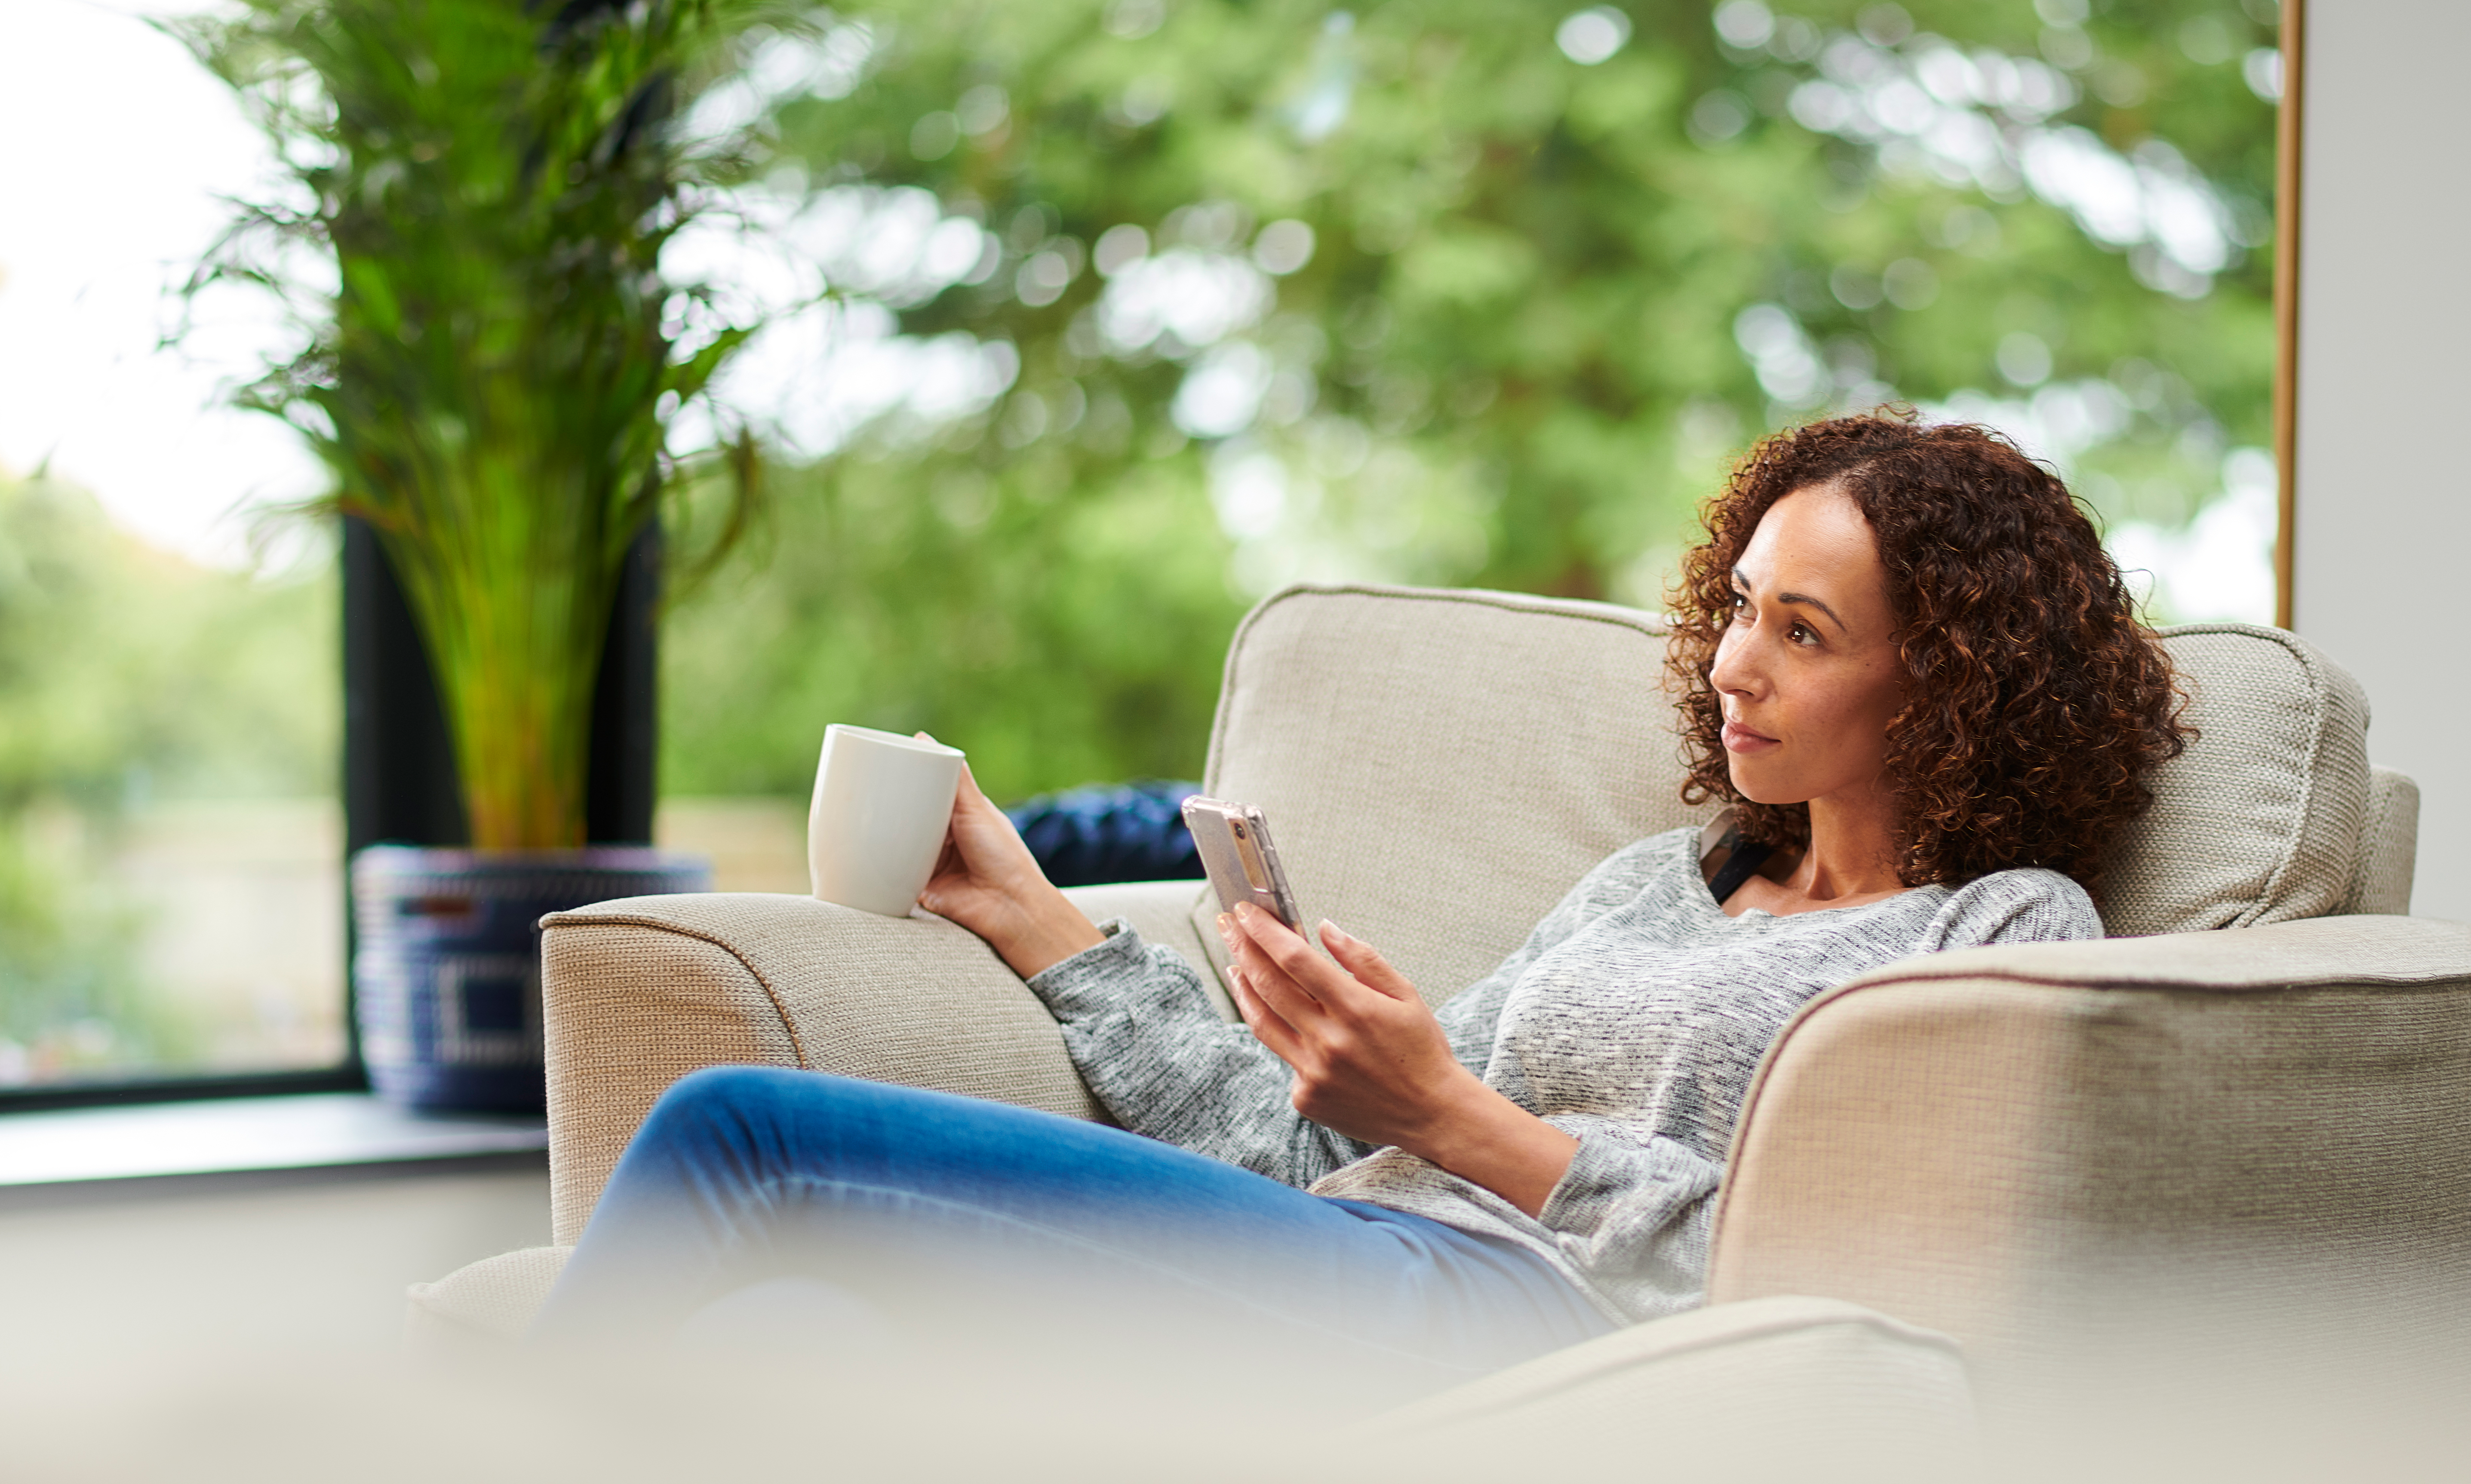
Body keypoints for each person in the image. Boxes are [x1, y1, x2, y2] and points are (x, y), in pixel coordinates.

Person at [532, 410, 2189, 1398]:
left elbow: (1868, 1291)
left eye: (1806, 631)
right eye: (1742, 606)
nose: (1733, 661)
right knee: (801, 1333)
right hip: (1347, 1253)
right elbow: (1313, 1157)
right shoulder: (1651, 890)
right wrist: (1043, 922)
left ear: (1947, 685)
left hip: (1518, 1327)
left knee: (741, 1134)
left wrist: (1464, 1119)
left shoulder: (2002, 933)